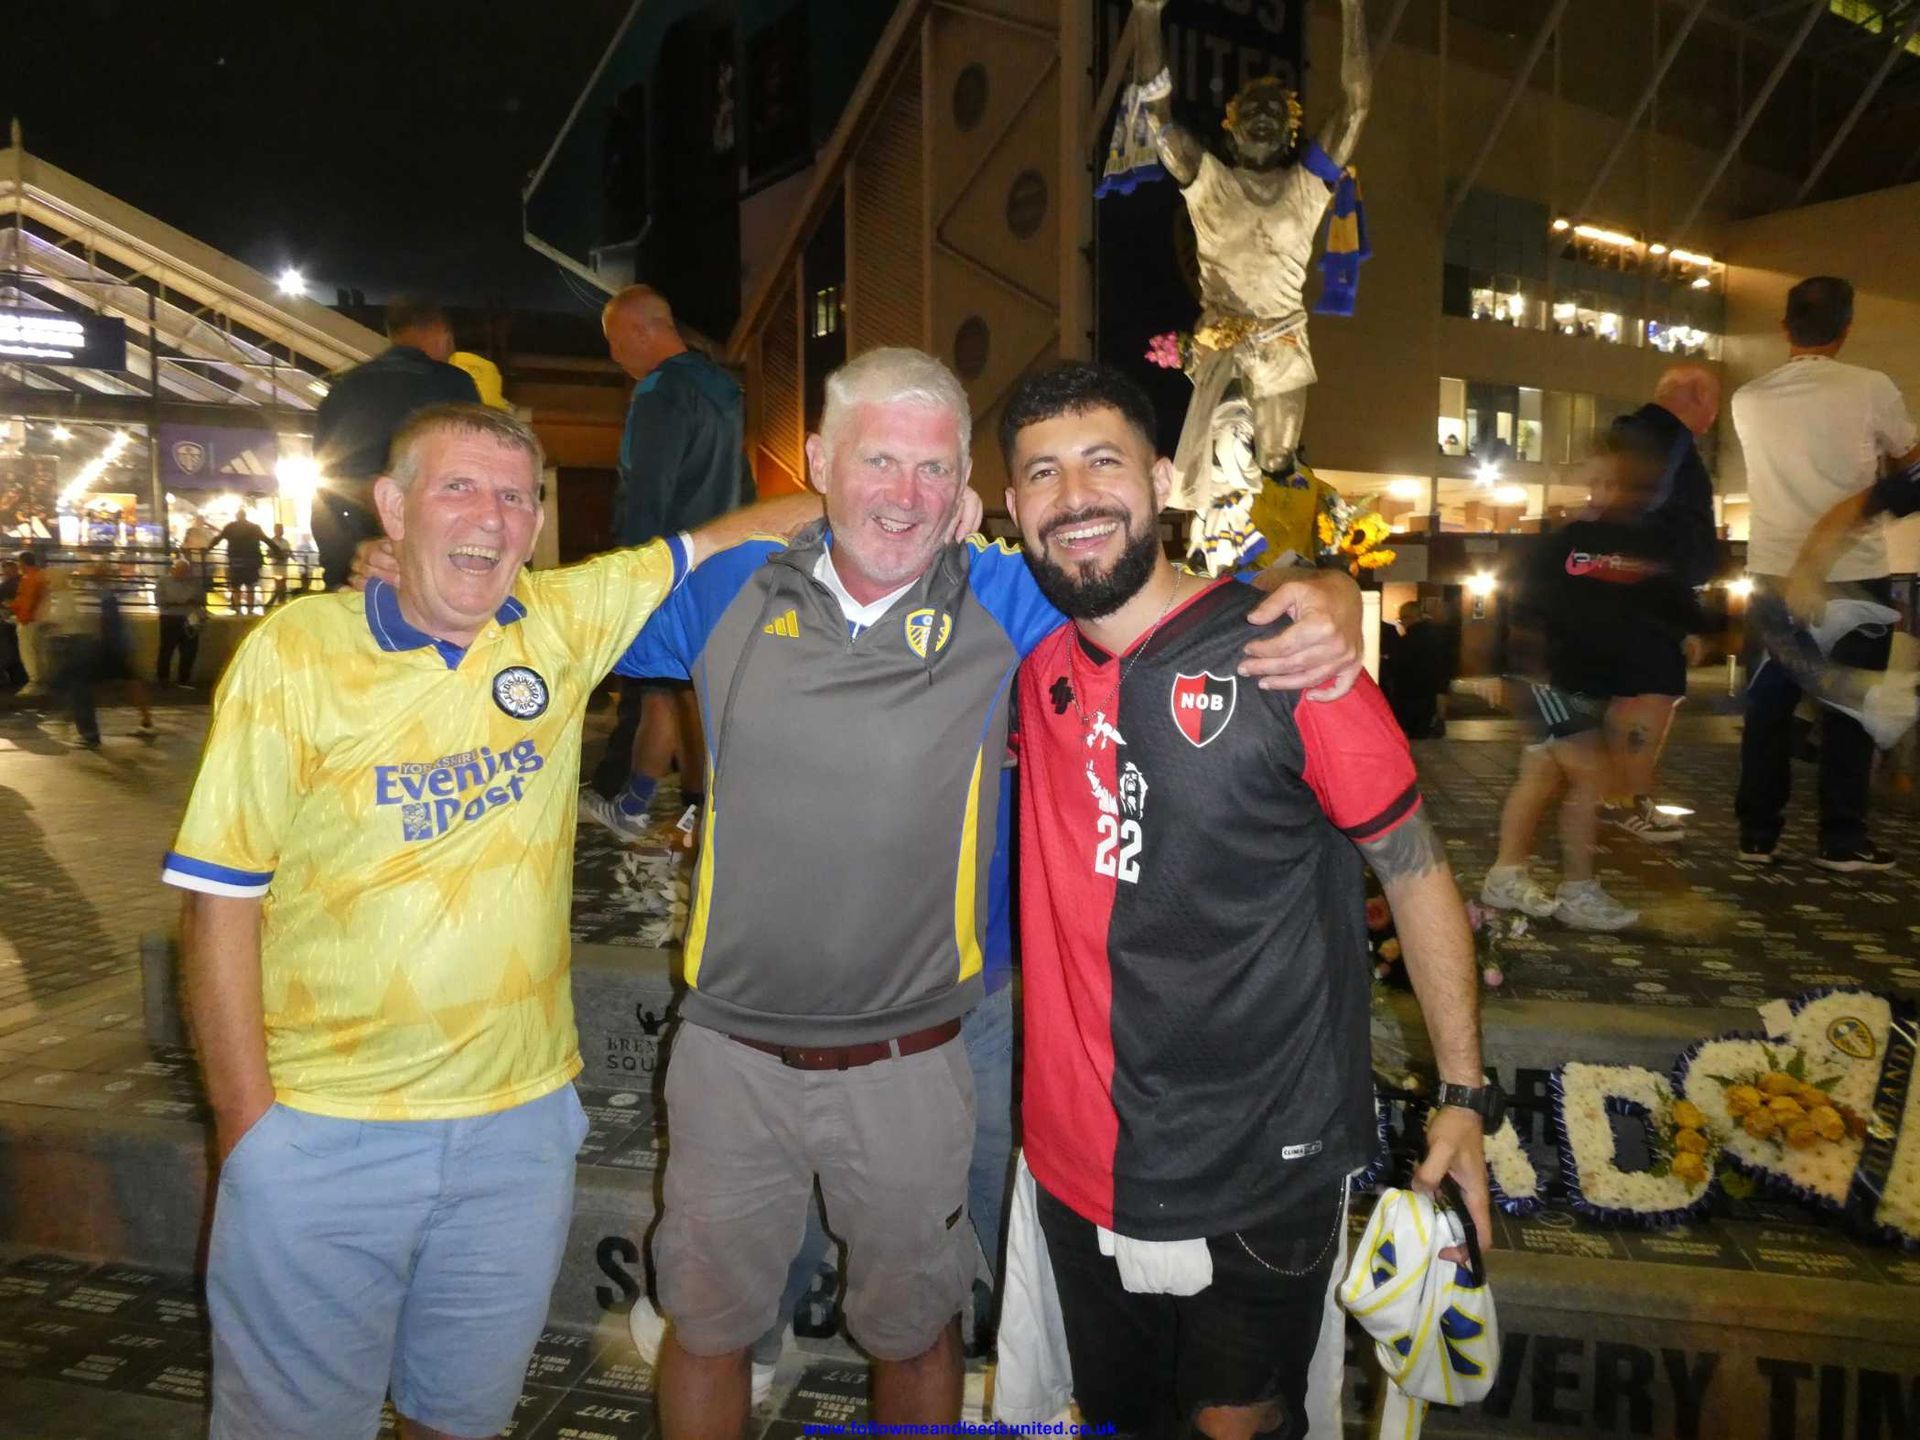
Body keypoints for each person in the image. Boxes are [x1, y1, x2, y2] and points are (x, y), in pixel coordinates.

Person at [602, 347, 1365, 1439]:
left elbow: (1161, 602)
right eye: (877, 461)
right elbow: (565, 616)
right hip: (728, 1051)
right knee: (707, 1329)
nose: (904, 494)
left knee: (918, 1330)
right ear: (817, 460)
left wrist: (1323, 592)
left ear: (966, 488)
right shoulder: (730, 590)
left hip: (915, 1057)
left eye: (933, 470)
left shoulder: (1004, 597)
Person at [161, 403, 815, 1440]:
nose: (490, 516)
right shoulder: (298, 651)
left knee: (462, 1418)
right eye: (457, 487)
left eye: (514, 496)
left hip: (516, 1132)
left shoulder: (556, 619)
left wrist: (914, 495)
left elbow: (731, 534)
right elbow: (217, 904)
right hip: (325, 1129)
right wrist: (250, 1132)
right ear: (392, 507)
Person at [998, 361, 1492, 1440]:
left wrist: (1463, 1092)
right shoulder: (1036, 672)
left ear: (1162, 480)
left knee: (1240, 1425)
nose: (1074, 496)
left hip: (1261, 1158)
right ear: (1013, 508)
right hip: (1080, 1159)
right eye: (1042, 473)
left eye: (1103, 462)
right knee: (1119, 1420)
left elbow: (1413, 867)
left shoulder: (1288, 657)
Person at [1129, 0, 1371, 557]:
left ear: (1289, 133)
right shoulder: (1208, 179)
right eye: (1252, 110)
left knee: (1277, 465)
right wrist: (1145, 15)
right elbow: (1158, 116)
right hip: (1223, 343)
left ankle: (1276, 565)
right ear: (1232, 131)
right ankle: (1215, 555)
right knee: (1227, 450)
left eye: (1275, 112)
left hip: (1284, 343)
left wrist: (1354, 9)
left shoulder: (1308, 185)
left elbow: (1356, 105)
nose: (1263, 115)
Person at [1730, 276, 1918, 870]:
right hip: (1854, 569)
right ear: (1847, 327)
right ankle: (1841, 838)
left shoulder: (1748, 398)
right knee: (1849, 707)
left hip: (1772, 570)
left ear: (1785, 326)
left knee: (1769, 706)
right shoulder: (1870, 386)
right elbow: (1908, 458)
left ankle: (1757, 834)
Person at [1481, 439, 1698, 931]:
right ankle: (1578, 890)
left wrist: (1686, 631)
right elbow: (1520, 600)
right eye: (1597, 482)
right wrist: (1505, 667)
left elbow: (1666, 605)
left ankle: (1505, 875)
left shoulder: (1646, 546)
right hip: (1547, 679)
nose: (1605, 493)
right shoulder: (1566, 543)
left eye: (1616, 484)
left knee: (1539, 778)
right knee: (1592, 776)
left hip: (1583, 682)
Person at [581, 285, 755, 844]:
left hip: (671, 566)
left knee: (680, 693)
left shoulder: (661, 390)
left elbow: (648, 491)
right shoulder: (723, 388)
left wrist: (632, 572)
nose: (614, 356)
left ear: (640, 330)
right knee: (670, 690)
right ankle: (645, 805)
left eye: (615, 342)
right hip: (724, 562)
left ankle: (699, 815)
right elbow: (744, 483)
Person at [1599, 364, 1720, 843]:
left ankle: (1615, 797)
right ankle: (1630, 799)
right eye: (1713, 403)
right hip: (1650, 591)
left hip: (1631, 588)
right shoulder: (1667, 440)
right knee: (1652, 693)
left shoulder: (1636, 434)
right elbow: (1644, 513)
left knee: (1631, 695)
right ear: (1695, 396)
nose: (1713, 417)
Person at [310, 299, 480, 590]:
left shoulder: (344, 388)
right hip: (432, 565)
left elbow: (326, 485)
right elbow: (474, 471)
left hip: (356, 566)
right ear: (441, 333)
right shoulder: (454, 385)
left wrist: (342, 564)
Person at [1382, 598, 1451, 739]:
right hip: (1431, 693)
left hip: (1411, 695)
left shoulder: (1407, 641)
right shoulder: (1438, 635)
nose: (1402, 624)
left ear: (1409, 618)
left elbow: (1398, 666)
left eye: (1401, 620)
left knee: (1414, 735)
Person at [156, 555, 207, 686]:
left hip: (188, 619)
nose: (181, 574)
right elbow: (161, 600)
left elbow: (201, 599)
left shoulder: (194, 583)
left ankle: (184, 679)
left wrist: (176, 602)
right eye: (179, 570)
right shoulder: (163, 581)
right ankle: (163, 679)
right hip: (171, 618)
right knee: (167, 650)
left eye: (184, 571)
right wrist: (185, 601)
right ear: (173, 569)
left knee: (189, 651)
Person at [10, 549, 50, 699]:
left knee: (28, 653)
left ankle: (34, 682)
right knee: (39, 652)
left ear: (22, 563)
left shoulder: (28, 579)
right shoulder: (41, 576)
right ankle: (42, 682)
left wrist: (16, 611)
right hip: (40, 620)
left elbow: (27, 602)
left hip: (28, 621)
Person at [216, 511, 270, 615]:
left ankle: (238, 609)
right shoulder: (254, 527)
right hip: (251, 562)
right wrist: (278, 551)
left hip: (235, 561)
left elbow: (218, 538)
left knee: (236, 587)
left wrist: (208, 548)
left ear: (237, 516)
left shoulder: (230, 527)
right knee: (250, 587)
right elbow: (266, 540)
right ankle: (250, 610)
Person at [0, 558, 23, 689]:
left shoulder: (8, 585)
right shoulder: (21, 581)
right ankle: (17, 677)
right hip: (16, 622)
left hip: (10, 622)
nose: (6, 574)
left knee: (8, 650)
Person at [265, 523, 293, 609]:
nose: (280, 531)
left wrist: (286, 554)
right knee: (278, 586)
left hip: (284, 567)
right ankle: (274, 603)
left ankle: (281, 603)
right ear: (275, 530)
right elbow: (268, 554)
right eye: (279, 529)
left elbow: (289, 552)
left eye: (281, 529)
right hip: (276, 567)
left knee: (283, 586)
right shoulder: (271, 541)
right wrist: (277, 555)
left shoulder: (285, 542)